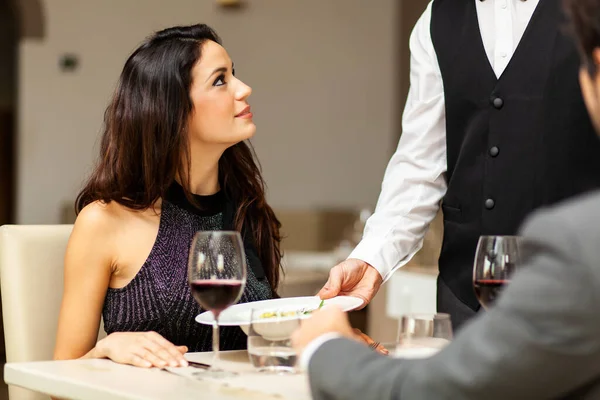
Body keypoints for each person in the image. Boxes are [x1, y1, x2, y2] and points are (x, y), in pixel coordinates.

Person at [292, 2, 600, 397]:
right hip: (464, 296)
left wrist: (326, 349)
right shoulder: (438, 18)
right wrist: (373, 258)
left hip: (570, 292)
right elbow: (419, 162)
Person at [53, 24, 282, 369]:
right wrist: (108, 347)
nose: (244, 88)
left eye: (234, 74)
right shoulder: (104, 221)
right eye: (220, 80)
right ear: (171, 109)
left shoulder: (246, 207)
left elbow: (263, 344)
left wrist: (322, 341)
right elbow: (59, 378)